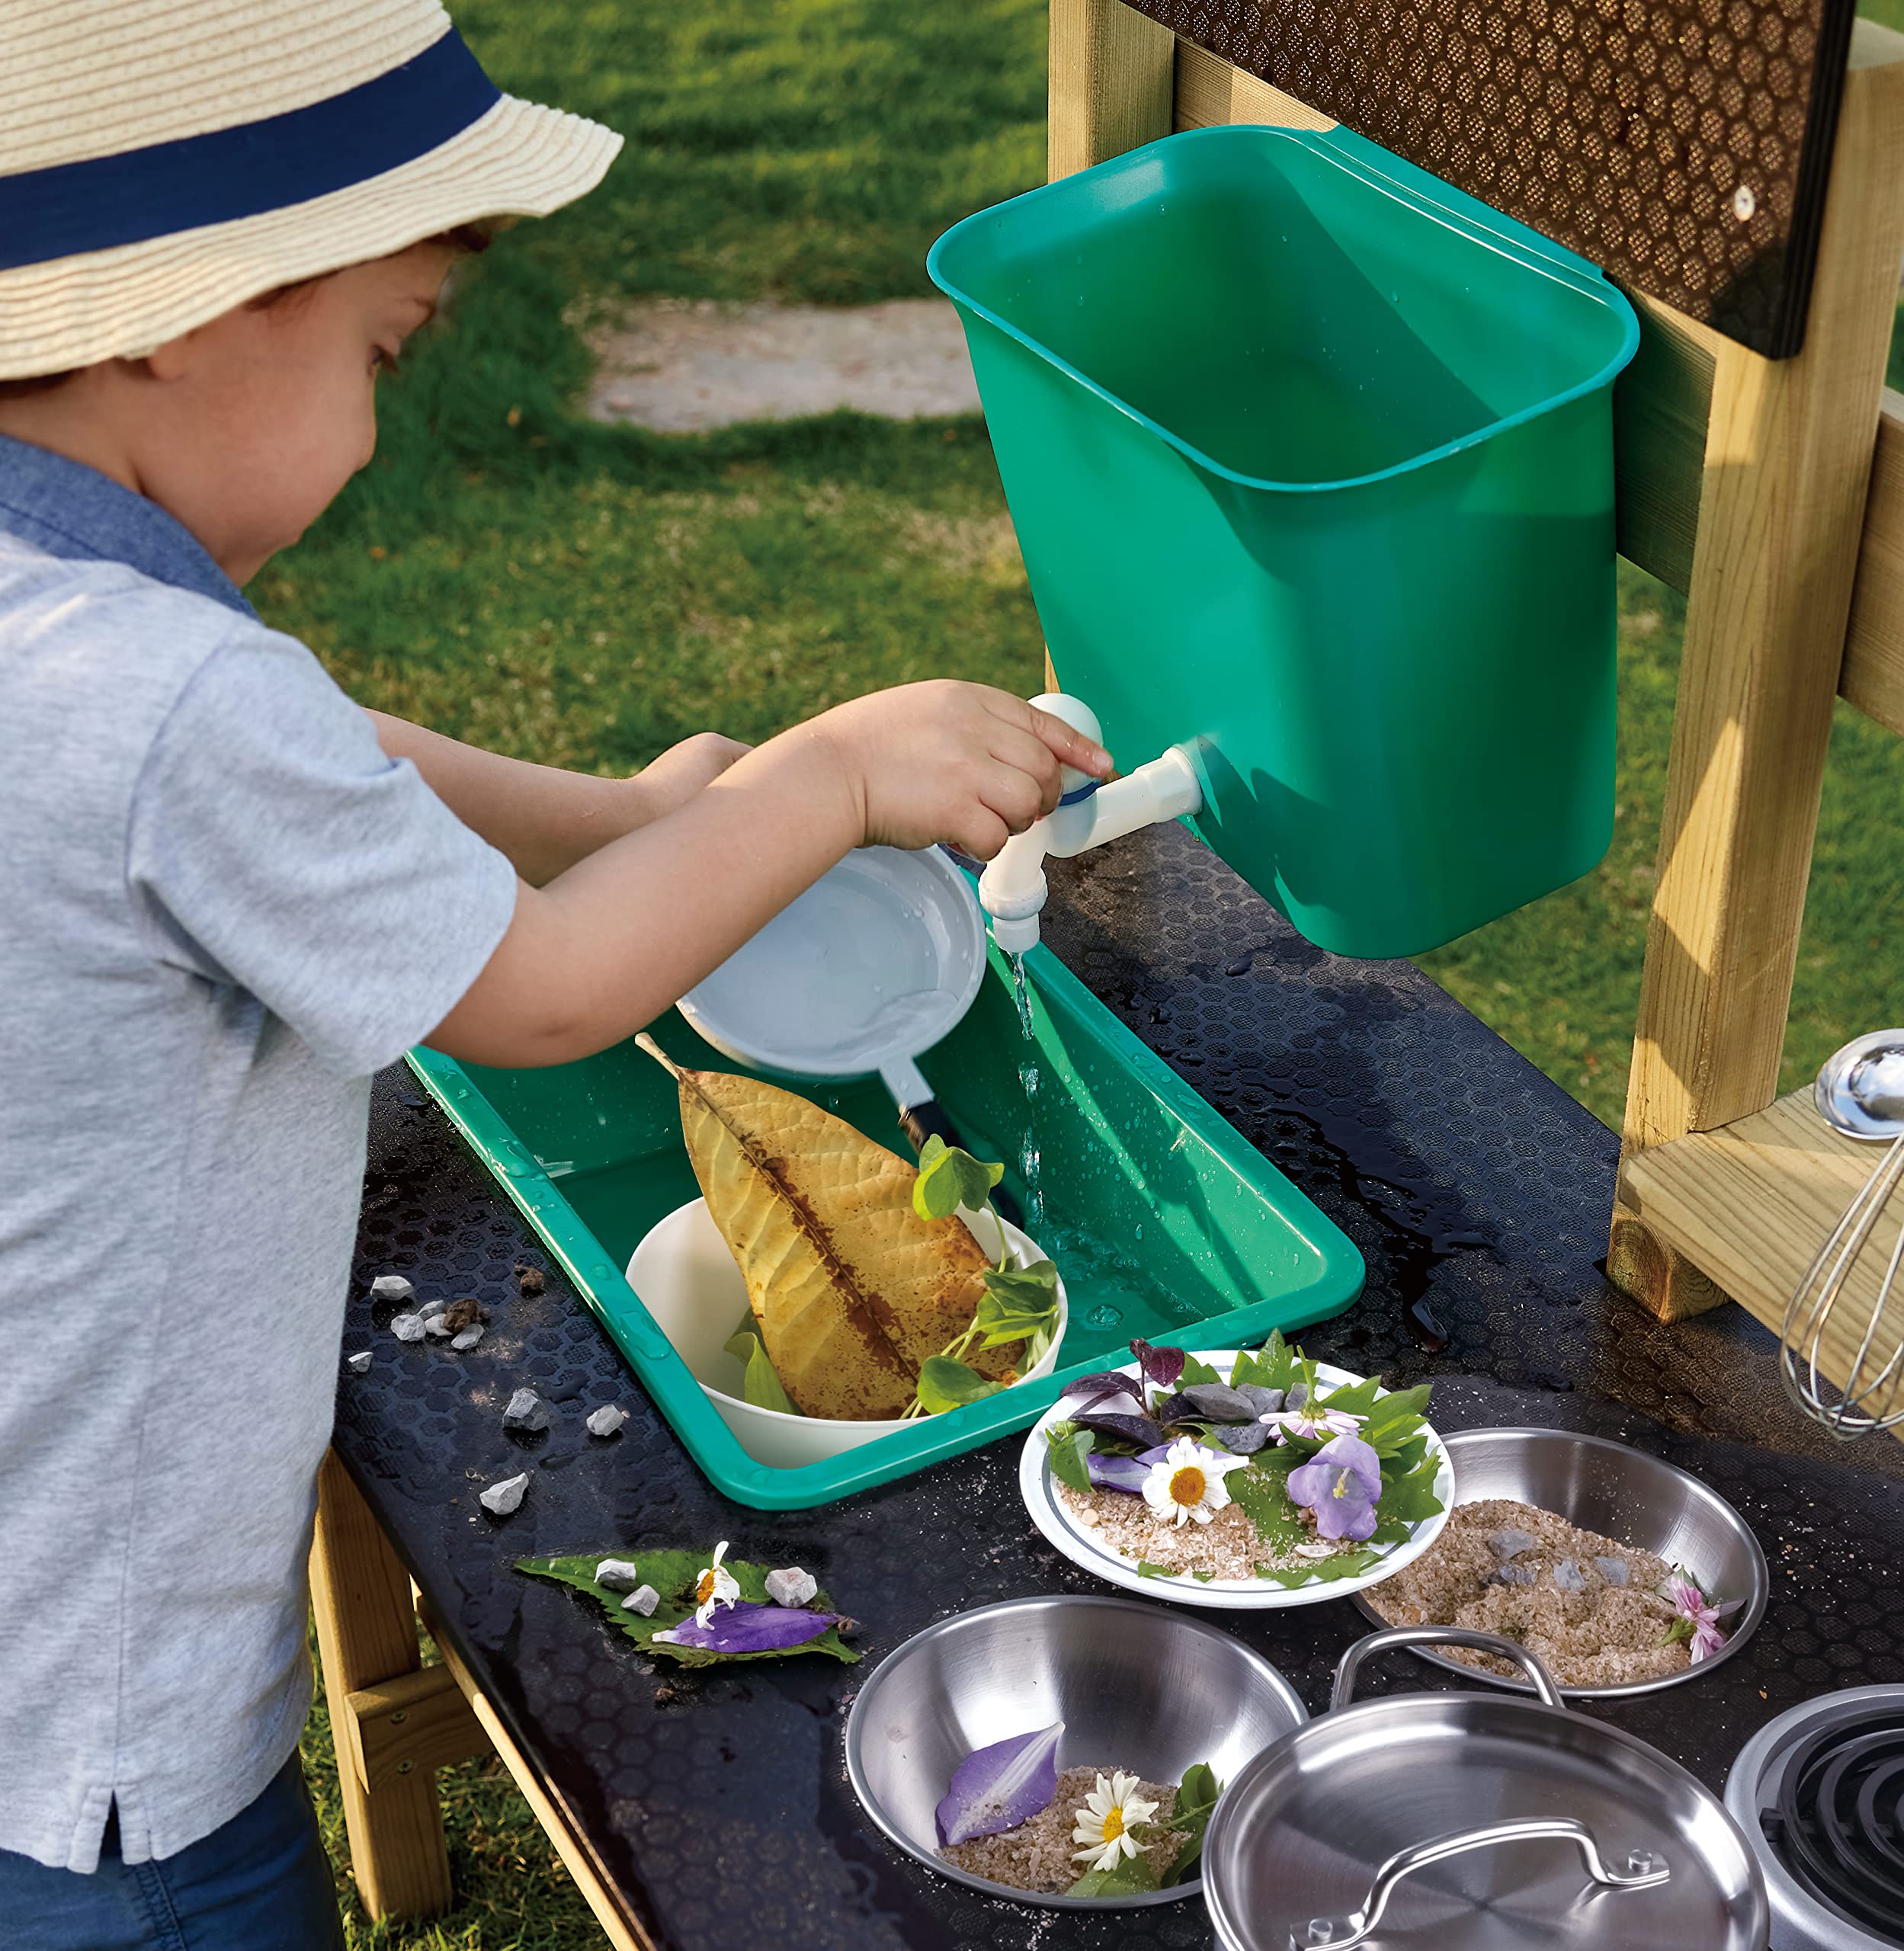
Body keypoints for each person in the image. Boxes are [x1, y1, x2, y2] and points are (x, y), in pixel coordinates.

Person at [0, 5, 1111, 1945]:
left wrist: (620, 814)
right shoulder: (167, 699)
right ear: (177, 313)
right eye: (382, 346)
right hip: (105, 1739)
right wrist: (829, 774)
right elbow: (540, 993)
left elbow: (323, 748)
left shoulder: (71, 624)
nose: (386, 405)